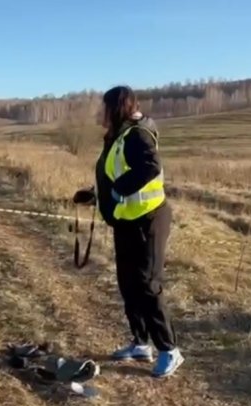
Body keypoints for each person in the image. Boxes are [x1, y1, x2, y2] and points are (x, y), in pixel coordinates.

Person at [72, 85, 183, 378]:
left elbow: (149, 167)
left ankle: (169, 349)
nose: (101, 113)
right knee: (128, 283)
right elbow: (115, 174)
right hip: (127, 221)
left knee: (147, 285)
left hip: (149, 220)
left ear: (116, 108)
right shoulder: (119, 137)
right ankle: (140, 342)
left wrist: (119, 191)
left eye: (104, 107)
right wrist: (98, 195)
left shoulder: (136, 135)